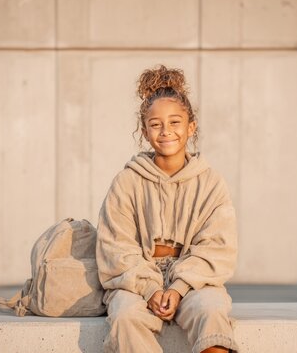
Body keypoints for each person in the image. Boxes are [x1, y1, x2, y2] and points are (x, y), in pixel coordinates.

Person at [96, 65, 238, 353]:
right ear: (145, 131)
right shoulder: (127, 181)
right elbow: (115, 246)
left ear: (191, 127)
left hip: (192, 278)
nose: (166, 132)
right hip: (136, 279)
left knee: (211, 310)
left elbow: (217, 246)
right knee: (125, 315)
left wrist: (178, 288)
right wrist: (150, 289)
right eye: (156, 124)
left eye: (175, 122)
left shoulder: (210, 182)